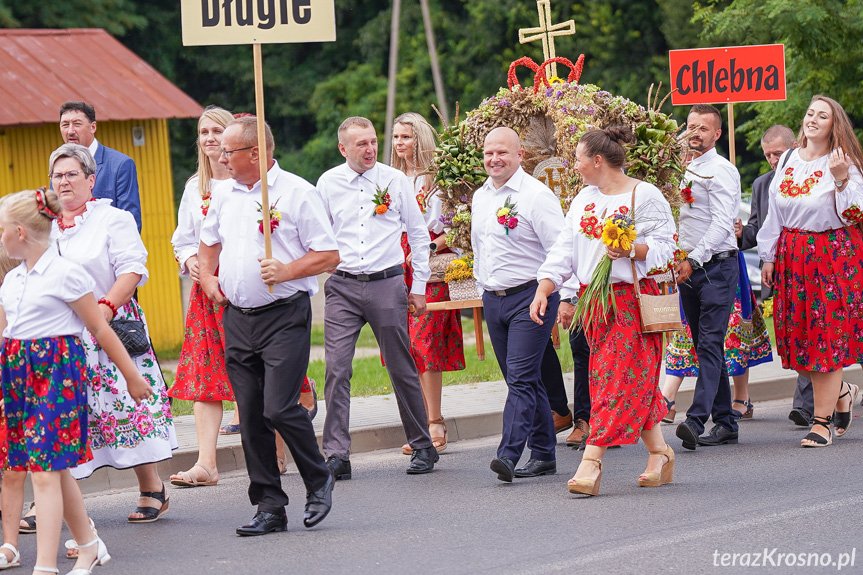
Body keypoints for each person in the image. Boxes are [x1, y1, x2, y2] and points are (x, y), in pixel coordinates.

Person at [199, 116, 337, 535]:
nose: (220, 158)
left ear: (255, 154)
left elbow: (329, 254)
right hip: (237, 317)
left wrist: (288, 269)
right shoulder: (223, 192)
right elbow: (208, 243)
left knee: (279, 407)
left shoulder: (297, 192)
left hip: (285, 316)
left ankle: (318, 478)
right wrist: (207, 277)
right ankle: (269, 506)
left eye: (228, 151)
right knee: (252, 416)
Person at [0, 189, 150, 574]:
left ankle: (45, 567)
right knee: (55, 469)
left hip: (56, 379)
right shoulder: (13, 281)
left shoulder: (66, 273)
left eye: (1, 230)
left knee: (45, 473)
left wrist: (132, 376)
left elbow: (100, 327)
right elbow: (5, 338)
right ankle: (88, 545)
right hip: (20, 380)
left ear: (19, 232)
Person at [531, 126, 676, 495]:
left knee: (613, 380)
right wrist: (545, 288)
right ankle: (659, 452)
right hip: (594, 303)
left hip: (631, 303)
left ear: (597, 160)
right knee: (620, 379)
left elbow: (666, 249)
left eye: (578, 158)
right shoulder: (583, 199)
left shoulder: (645, 194)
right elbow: (565, 249)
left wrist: (632, 250)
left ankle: (591, 463)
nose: (574, 165)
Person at [50, 143, 177, 522]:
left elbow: (132, 268)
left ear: (91, 180)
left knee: (124, 410)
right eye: (57, 175)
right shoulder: (45, 225)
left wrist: (103, 309)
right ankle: (49, 499)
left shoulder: (112, 219)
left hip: (109, 327)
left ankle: (151, 486)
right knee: (63, 417)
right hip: (58, 336)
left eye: (72, 174)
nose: (64, 181)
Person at [317, 116, 438, 478]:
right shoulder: (327, 183)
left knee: (401, 365)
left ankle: (422, 445)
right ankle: (337, 453)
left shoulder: (393, 180)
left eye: (373, 142)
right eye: (361, 144)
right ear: (343, 149)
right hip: (342, 285)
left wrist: (418, 287)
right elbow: (315, 234)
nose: (370, 149)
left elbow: (418, 236)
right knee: (337, 368)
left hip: (387, 282)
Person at [758, 95, 863, 447]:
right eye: (810, 113)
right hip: (791, 257)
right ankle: (843, 391)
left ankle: (822, 423)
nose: (813, 119)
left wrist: (841, 180)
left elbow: (855, 215)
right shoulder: (788, 158)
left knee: (825, 340)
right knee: (798, 344)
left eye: (823, 116)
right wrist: (768, 255)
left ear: (834, 125)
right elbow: (774, 211)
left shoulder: (842, 161)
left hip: (829, 258)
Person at [471, 126, 564, 482]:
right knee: (522, 380)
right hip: (494, 300)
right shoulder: (481, 196)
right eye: (489, 153)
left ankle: (508, 454)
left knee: (523, 379)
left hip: (531, 297)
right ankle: (543, 454)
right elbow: (482, 248)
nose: (494, 159)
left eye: (502, 153)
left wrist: (555, 292)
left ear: (520, 154)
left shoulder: (536, 196)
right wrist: (483, 285)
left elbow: (559, 247)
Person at [168, 106, 236, 487]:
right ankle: (206, 464)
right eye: (204, 131)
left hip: (245, 289)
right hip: (205, 292)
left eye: (217, 130)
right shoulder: (195, 186)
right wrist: (191, 258)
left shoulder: (252, 183)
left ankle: (275, 452)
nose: (210, 138)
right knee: (206, 374)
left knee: (255, 372)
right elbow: (182, 238)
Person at [391, 112, 465, 455]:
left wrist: (431, 246)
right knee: (403, 347)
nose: (399, 143)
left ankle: (434, 420)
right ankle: (418, 423)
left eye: (405, 136)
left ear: (420, 138)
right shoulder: (388, 179)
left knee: (425, 343)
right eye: (394, 137)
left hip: (429, 261)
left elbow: (458, 223)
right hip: (394, 260)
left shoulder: (440, 179)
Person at [737, 125, 821, 427]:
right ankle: (838, 395)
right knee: (796, 333)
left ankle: (806, 404)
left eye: (778, 153)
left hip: (812, 263)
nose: (773, 159)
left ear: (795, 145)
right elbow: (758, 231)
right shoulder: (762, 184)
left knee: (816, 329)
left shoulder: (812, 175)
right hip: (780, 270)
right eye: (768, 155)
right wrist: (739, 234)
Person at [674, 104, 742, 451]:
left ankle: (696, 419)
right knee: (705, 344)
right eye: (691, 126)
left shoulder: (721, 170)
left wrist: (694, 258)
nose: (695, 132)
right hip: (689, 268)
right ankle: (726, 421)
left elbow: (721, 223)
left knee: (710, 343)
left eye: (703, 128)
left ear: (717, 134)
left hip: (715, 266)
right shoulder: (684, 170)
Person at [661, 249, 773, 421]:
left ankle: (740, 398)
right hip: (688, 261)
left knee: (734, 328)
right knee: (689, 329)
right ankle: (670, 396)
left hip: (722, 259)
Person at [59, 101, 141, 231]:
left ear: (93, 127)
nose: (70, 131)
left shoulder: (120, 165)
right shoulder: (58, 167)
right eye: (65, 125)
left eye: (77, 124)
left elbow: (131, 223)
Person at [556, 283, 592, 447]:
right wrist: (569, 297)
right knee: (581, 349)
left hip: (618, 286)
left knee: (614, 354)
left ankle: (608, 420)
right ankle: (583, 419)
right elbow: (570, 256)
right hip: (582, 289)